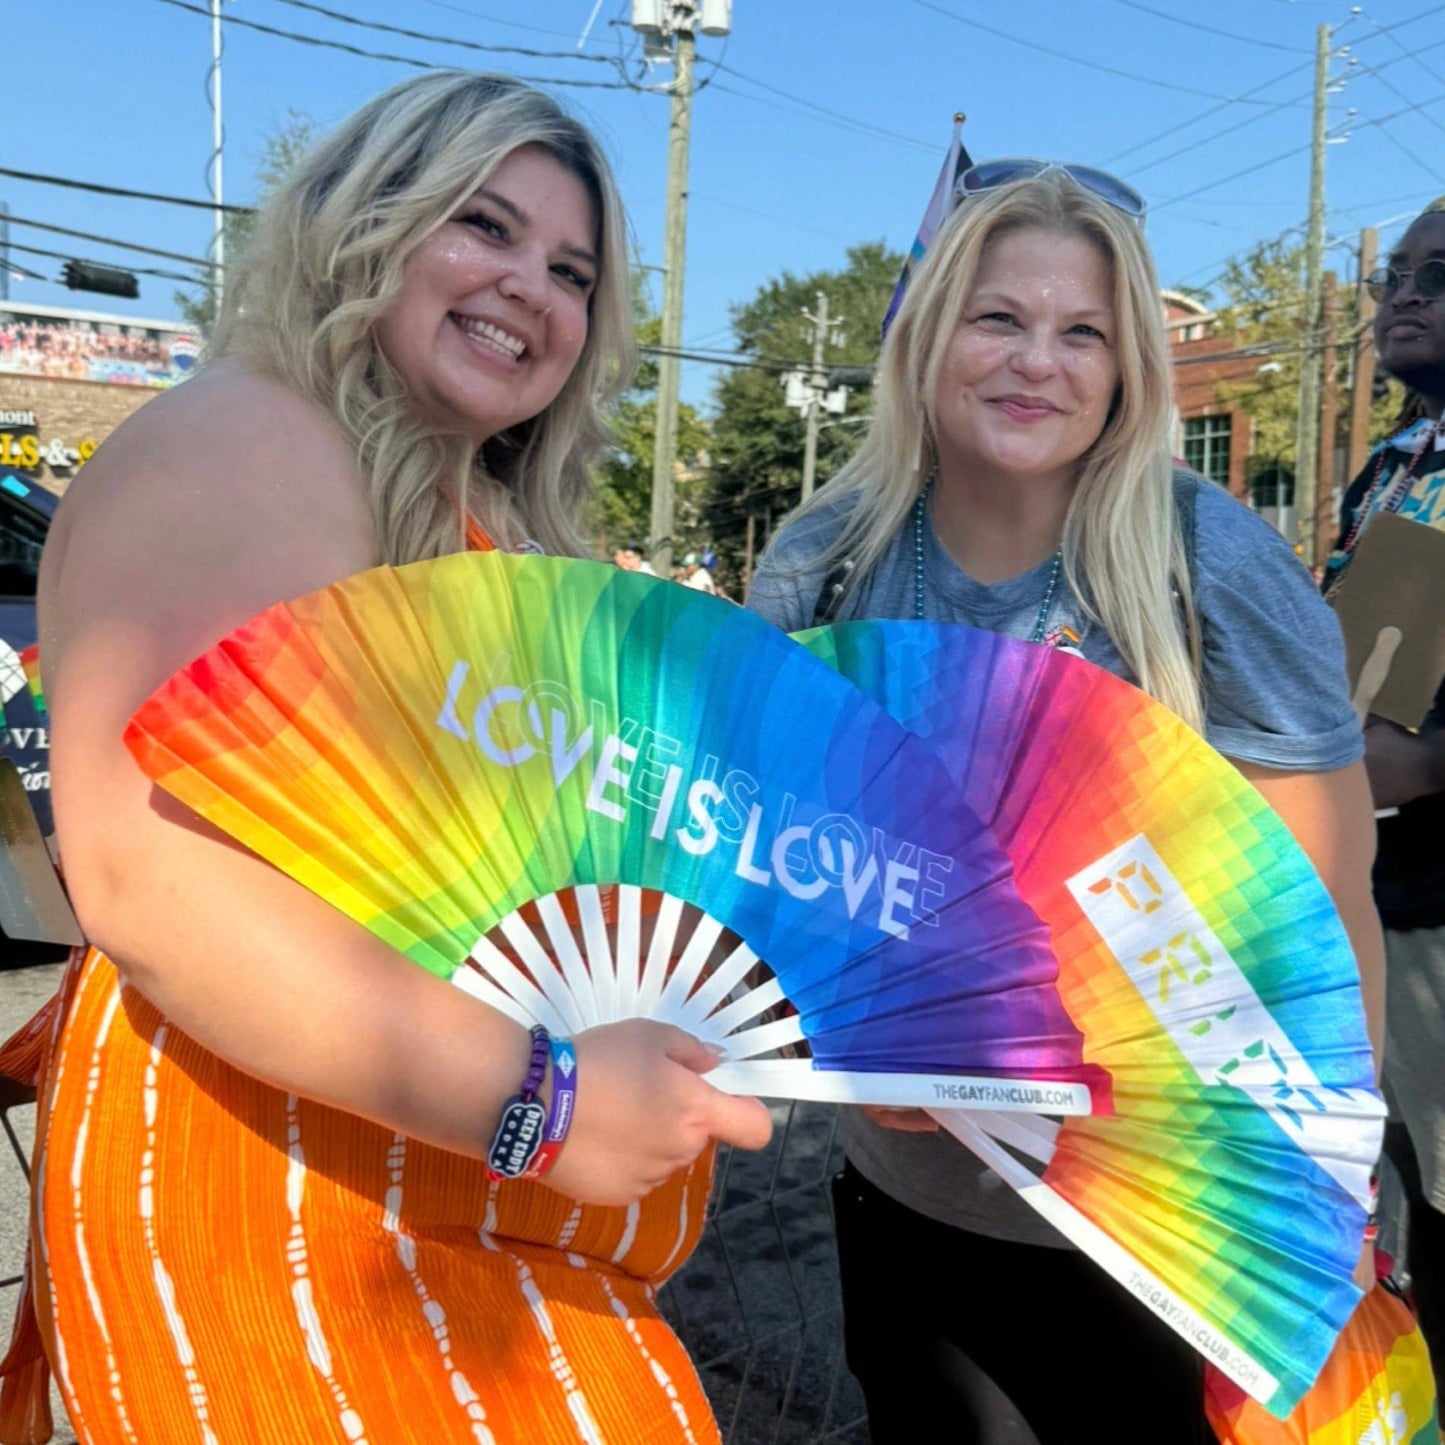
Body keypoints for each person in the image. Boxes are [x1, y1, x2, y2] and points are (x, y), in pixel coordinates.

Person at [0, 71, 771, 1445]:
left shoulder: (442, 513)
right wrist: (545, 1103)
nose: (531, 286)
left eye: (573, 272)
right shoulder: (257, 437)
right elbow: (159, 880)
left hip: (439, 1238)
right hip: (294, 1221)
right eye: (483, 225)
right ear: (364, 223)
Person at [746, 161, 1384, 1445]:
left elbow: (1323, 906)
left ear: (1125, 365)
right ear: (928, 333)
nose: (1036, 360)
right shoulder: (825, 558)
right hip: (915, 1203)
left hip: (1173, 1214)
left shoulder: (1205, 559)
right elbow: (776, 869)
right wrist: (848, 1041)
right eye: (998, 317)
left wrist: (1330, 1198)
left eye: (1080, 331)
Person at [1324, 197, 1445, 1393]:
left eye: (1437, 274)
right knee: (1392, 1195)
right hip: (1370, 891)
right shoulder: (1389, 464)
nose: (1403, 294)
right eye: (1392, 277)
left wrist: (1428, 762)